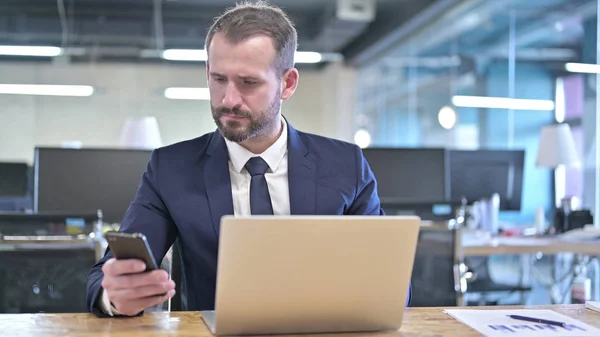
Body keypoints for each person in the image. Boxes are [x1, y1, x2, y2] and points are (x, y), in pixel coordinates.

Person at [86, 0, 410, 317]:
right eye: (219, 79)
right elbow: (105, 275)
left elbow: (391, 283)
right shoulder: (171, 169)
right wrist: (115, 297)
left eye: (248, 83)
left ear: (288, 83)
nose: (229, 99)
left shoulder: (345, 165)